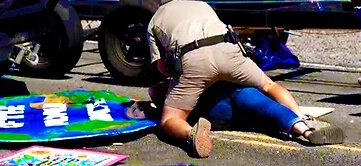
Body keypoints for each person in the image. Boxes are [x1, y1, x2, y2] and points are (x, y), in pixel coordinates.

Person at [143, 0, 344, 158]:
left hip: (194, 59)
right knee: (268, 86)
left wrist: (177, 80)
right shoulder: (201, 5)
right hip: (228, 48)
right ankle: (301, 122)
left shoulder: (156, 19)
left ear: (163, 5)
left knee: (170, 120)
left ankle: (190, 132)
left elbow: (161, 67)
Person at [135, 80, 345, 143]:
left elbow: (154, 90)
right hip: (238, 92)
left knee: (260, 116)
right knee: (268, 109)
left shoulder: (180, 84)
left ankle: (192, 134)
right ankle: (304, 129)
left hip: (217, 114)